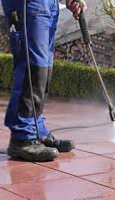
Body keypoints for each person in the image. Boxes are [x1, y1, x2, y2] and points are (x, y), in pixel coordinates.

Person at [1, 0, 87, 162]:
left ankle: (36, 130)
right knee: (32, 67)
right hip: (26, 4)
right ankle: (23, 137)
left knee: (44, 67)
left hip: (48, 4)